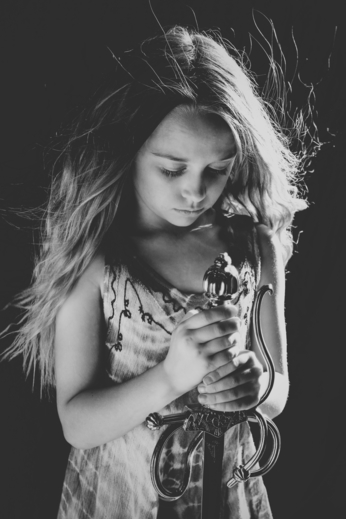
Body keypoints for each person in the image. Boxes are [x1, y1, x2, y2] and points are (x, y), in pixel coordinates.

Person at [2, 25, 307, 519]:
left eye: (218, 169)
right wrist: (169, 378)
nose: (196, 191)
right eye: (172, 169)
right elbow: (76, 423)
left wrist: (256, 387)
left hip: (225, 497)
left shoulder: (256, 245)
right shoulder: (97, 255)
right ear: (131, 150)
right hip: (119, 497)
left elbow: (278, 391)